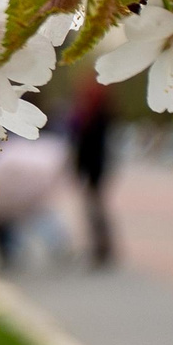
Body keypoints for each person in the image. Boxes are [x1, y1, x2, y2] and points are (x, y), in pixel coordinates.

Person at [70, 69, 116, 269]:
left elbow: (86, 143)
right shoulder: (96, 113)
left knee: (94, 209)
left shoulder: (94, 115)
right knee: (95, 208)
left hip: (93, 168)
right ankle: (101, 247)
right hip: (93, 167)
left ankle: (101, 248)